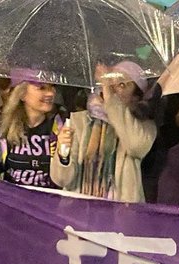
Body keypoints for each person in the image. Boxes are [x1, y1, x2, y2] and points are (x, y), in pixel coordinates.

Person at [52, 61, 156, 201]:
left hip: (119, 216)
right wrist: (63, 155)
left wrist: (109, 96)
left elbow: (135, 145)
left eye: (122, 84)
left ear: (136, 96)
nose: (112, 87)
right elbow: (62, 180)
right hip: (78, 214)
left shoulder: (145, 127)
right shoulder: (79, 121)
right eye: (109, 80)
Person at [0, 68, 66, 188]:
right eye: (42, 88)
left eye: (52, 86)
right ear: (22, 93)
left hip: (50, 202)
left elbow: (66, 179)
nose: (51, 93)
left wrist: (63, 153)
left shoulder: (63, 121)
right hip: (11, 200)